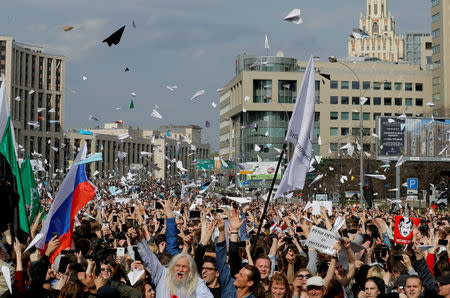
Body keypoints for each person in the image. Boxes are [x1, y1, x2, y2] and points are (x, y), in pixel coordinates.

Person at [137, 238, 213, 297]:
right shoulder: (162, 274)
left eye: (184, 267)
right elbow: (148, 258)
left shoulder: (196, 282)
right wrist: (140, 239)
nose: (180, 270)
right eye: (177, 266)